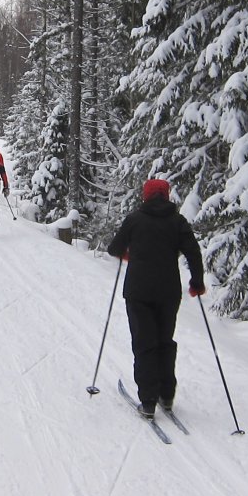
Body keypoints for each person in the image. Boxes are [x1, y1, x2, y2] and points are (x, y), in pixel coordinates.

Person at [106, 178, 205, 419]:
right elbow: (193, 252)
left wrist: (129, 253)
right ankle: (167, 395)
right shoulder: (177, 221)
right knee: (164, 341)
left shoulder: (134, 219)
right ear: (167, 196)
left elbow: (114, 248)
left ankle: (148, 401)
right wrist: (197, 283)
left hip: (138, 291)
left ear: (145, 196)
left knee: (144, 343)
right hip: (168, 291)